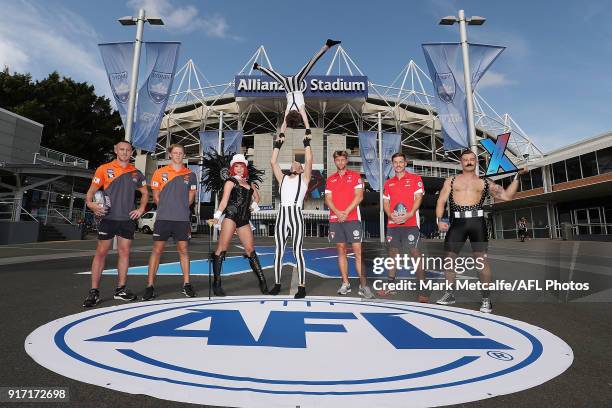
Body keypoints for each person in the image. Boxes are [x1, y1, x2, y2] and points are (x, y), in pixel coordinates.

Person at [435, 149, 527, 313]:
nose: (469, 162)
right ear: (461, 162)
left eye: (472, 159)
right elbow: (441, 201)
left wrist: (517, 177)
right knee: (449, 259)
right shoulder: (451, 180)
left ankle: (486, 299)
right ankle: (449, 294)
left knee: (481, 261)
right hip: (457, 223)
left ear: (476, 162)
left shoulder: (486, 182)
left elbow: (506, 196)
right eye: (465, 159)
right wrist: (440, 220)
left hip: (477, 222)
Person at [82, 141, 148, 307]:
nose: (125, 152)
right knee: (101, 253)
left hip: (127, 220)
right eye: (122, 149)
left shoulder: (136, 173)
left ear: (131, 152)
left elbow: (146, 193)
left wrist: (141, 209)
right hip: (108, 218)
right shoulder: (104, 169)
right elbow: (91, 192)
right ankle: (94, 292)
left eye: (128, 150)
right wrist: (91, 204)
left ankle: (121, 289)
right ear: (116, 150)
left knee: (124, 253)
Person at [253, 39, 341, 138]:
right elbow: (284, 123)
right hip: (287, 84)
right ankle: (258, 67)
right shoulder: (288, 111)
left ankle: (327, 46)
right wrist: (282, 133)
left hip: (296, 82)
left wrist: (308, 129)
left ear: (297, 116)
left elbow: (304, 117)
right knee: (273, 74)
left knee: (310, 64)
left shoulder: (300, 109)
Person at [206, 153, 267, 296]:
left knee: (250, 250)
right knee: (221, 248)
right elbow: (224, 201)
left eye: (242, 166)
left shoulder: (249, 183)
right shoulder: (230, 181)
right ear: (233, 168)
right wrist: (216, 217)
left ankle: (262, 281)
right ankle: (217, 283)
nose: (239, 169)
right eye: (236, 166)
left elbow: (257, 197)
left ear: (245, 168)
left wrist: (252, 207)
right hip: (231, 217)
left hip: (244, 219)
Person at [143, 144, 198, 301]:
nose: (178, 155)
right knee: (157, 250)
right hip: (163, 218)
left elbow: (191, 197)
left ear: (184, 155)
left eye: (181, 153)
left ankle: (187, 284)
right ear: (170, 155)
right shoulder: (160, 173)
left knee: (183, 250)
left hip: (181, 218)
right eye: (175, 153)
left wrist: (180, 208)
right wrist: (167, 208)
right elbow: (156, 196)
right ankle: (150, 286)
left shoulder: (191, 175)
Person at [325, 150, 375, 299]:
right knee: (341, 250)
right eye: (337, 160)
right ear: (335, 161)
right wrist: (338, 213)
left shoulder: (355, 176)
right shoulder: (330, 179)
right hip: (336, 219)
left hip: (352, 218)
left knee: (358, 251)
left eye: (342, 160)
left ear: (346, 161)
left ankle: (363, 285)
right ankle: (345, 283)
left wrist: (346, 212)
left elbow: (359, 196)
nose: (340, 162)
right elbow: (328, 199)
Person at [269, 134, 312, 298]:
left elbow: (308, 161)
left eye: (298, 163)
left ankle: (302, 287)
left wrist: (306, 143)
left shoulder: (304, 178)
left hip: (295, 214)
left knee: (297, 251)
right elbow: (273, 162)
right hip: (282, 215)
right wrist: (277, 145)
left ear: (300, 169)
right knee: (278, 251)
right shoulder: (283, 178)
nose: (295, 163)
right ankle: (277, 284)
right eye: (293, 163)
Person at [381, 152, 428, 302]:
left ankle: (422, 289)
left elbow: (418, 198)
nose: (398, 164)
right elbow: (386, 203)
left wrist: (409, 214)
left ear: (405, 163)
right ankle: (390, 285)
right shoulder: (388, 183)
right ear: (392, 164)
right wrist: (390, 215)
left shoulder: (415, 179)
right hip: (393, 224)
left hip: (411, 223)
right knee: (392, 254)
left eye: (401, 162)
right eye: (395, 162)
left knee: (415, 254)